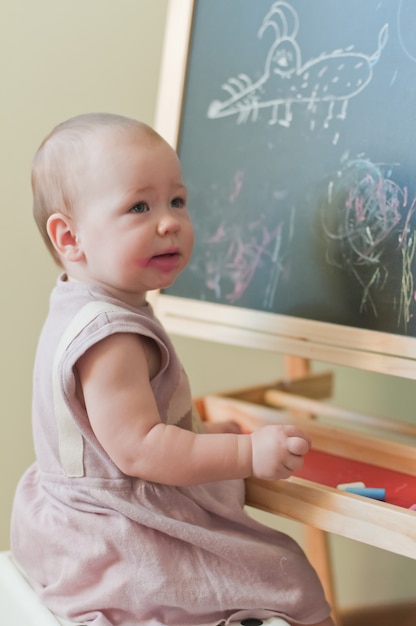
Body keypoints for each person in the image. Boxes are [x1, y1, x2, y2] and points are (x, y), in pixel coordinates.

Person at [11, 113, 334, 626]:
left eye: (177, 201)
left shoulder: (76, 301)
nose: (169, 222)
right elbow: (141, 448)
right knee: (284, 575)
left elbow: (117, 433)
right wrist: (247, 453)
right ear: (69, 238)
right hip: (118, 535)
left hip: (68, 519)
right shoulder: (112, 336)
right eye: (139, 206)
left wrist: (204, 435)